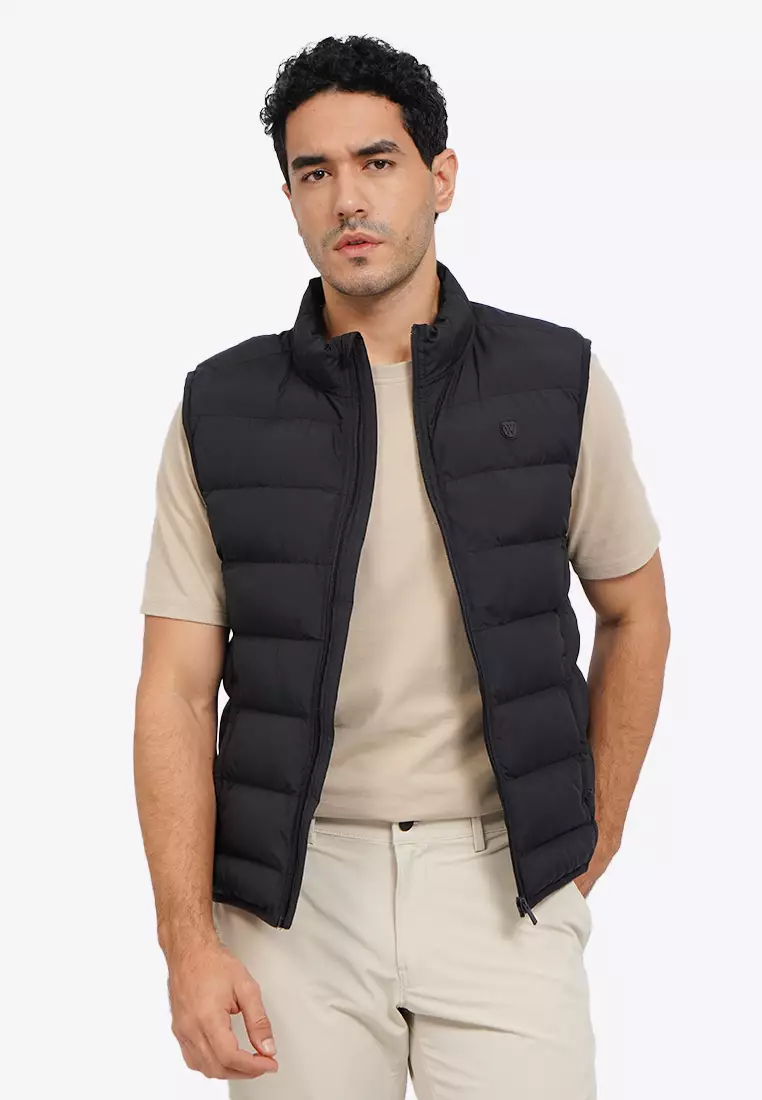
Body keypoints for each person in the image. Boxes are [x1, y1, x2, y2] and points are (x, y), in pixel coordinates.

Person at [134, 33, 670, 1099]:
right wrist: (187, 943)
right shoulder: (220, 409)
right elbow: (176, 692)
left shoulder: (556, 381)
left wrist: (590, 838)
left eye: (377, 162)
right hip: (294, 896)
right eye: (314, 172)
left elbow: (637, 611)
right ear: (290, 198)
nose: (348, 199)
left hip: (503, 883)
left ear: (441, 177)